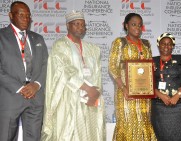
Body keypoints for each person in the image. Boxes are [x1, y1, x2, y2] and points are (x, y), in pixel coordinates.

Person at [41, 11, 105, 141]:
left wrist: (95, 93)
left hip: (89, 98)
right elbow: (64, 70)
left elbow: (97, 73)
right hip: (69, 97)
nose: (80, 27)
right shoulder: (60, 45)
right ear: (68, 25)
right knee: (69, 133)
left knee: (90, 133)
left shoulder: (92, 48)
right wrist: (87, 88)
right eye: (76, 24)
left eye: (82, 24)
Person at [0, 1, 48, 141]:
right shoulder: (2, 36)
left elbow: (46, 64)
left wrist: (36, 84)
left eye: (28, 15)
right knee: (6, 137)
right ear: (10, 15)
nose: (26, 19)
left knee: (34, 137)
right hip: (10, 97)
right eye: (21, 15)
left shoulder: (38, 38)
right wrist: (20, 87)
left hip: (35, 96)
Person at [108, 13, 156, 141]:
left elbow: (149, 65)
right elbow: (112, 67)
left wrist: (152, 68)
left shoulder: (146, 44)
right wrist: (123, 88)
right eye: (134, 24)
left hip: (144, 94)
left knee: (144, 123)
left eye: (140, 25)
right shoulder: (120, 42)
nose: (137, 28)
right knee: (128, 124)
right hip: (126, 93)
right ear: (126, 25)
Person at [151, 32, 181, 141]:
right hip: (159, 105)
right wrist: (161, 96)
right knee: (161, 136)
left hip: (178, 104)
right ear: (158, 45)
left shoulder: (180, 59)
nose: (166, 46)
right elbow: (148, 82)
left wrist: (177, 95)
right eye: (163, 43)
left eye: (169, 44)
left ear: (173, 46)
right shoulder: (152, 61)